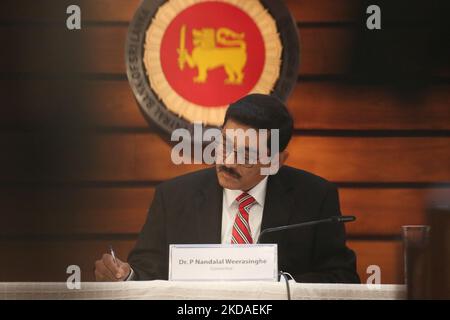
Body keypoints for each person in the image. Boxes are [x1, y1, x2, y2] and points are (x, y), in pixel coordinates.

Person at [94, 94, 360, 283]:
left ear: (276, 161)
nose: (227, 161)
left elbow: (342, 278)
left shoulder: (314, 197)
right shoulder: (174, 197)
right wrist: (125, 275)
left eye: (246, 154)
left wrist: (280, 284)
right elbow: (146, 271)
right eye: (224, 144)